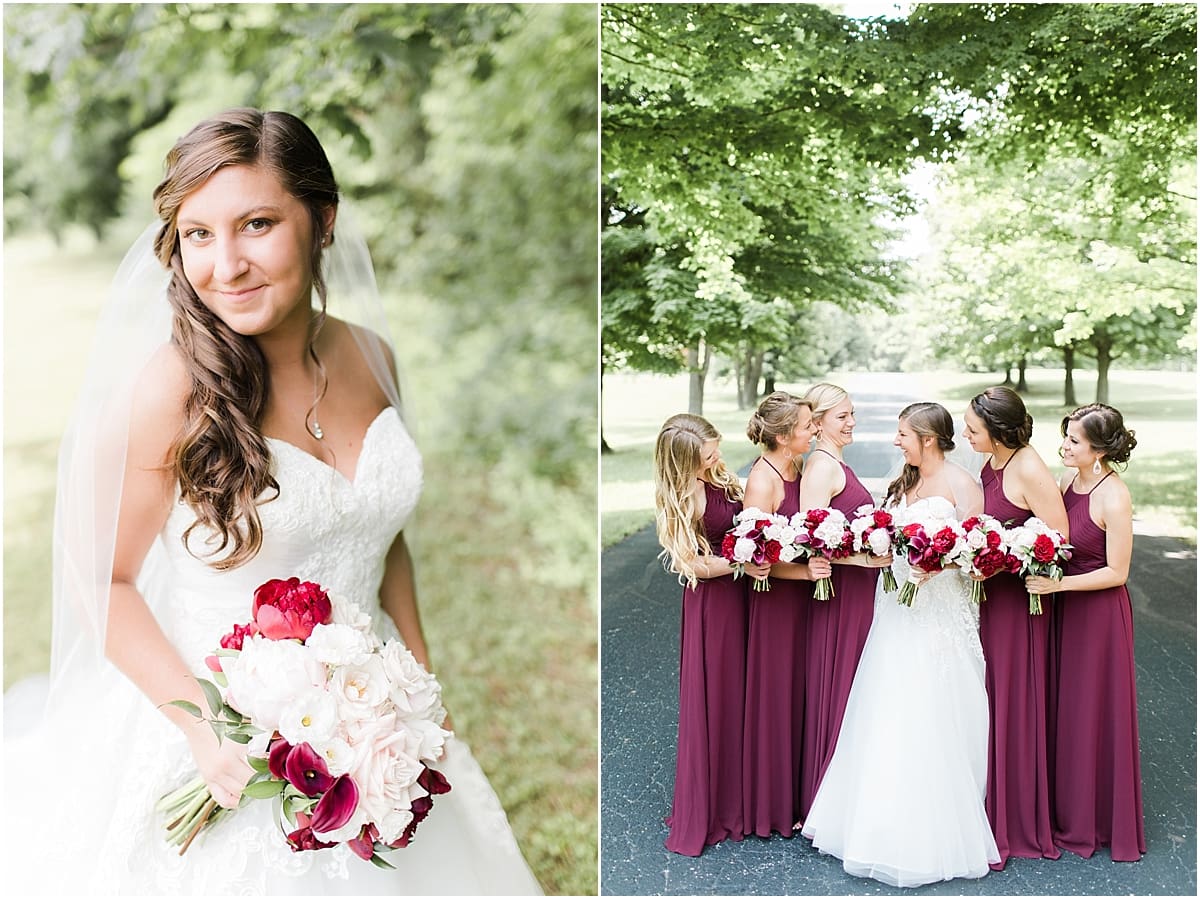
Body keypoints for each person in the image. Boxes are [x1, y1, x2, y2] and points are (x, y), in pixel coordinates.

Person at [3, 109, 541, 895]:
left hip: (371, 721)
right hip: (218, 727)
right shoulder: (174, 387)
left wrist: (423, 689)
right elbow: (102, 580)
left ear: (322, 221)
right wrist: (204, 731)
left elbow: (381, 535)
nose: (226, 265)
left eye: (256, 223)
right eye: (197, 234)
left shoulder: (370, 353)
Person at [801, 402, 1000, 887]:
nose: (896, 442)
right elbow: (885, 540)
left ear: (928, 440)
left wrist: (941, 566)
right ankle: (874, 821)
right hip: (895, 612)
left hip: (940, 615)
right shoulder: (902, 483)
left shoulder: (962, 485)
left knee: (937, 705)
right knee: (885, 703)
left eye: (902, 434)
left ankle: (936, 827)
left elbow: (979, 554)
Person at [1027, 404, 1146, 862]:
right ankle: (1061, 811)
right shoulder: (1066, 483)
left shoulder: (1113, 495)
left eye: (1074, 440)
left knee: (1091, 712)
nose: (1065, 445)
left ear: (1099, 450)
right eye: (1066, 436)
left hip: (1097, 616)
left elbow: (1118, 571)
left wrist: (1059, 583)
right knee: (1065, 710)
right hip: (1064, 610)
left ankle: (1093, 821)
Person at [962, 385, 1068, 869]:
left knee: (1011, 699)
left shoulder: (1027, 466)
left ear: (998, 430)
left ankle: (1018, 815)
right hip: (989, 598)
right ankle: (987, 799)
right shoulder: (992, 463)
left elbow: (1056, 539)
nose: (966, 435)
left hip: (1017, 604)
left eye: (972, 428)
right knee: (986, 696)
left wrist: (1002, 558)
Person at [653, 414, 766, 857]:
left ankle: (746, 791)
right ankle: (716, 803)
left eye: (716, 449)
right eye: (708, 455)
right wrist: (740, 561)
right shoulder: (683, 497)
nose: (717, 458)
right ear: (684, 464)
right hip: (714, 606)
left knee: (746, 692)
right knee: (719, 697)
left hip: (745, 594)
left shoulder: (717, 475)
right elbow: (691, 564)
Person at [795, 383, 889, 824]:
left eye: (852, 414)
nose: (852, 422)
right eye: (843, 417)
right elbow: (812, 543)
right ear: (817, 422)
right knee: (839, 683)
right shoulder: (820, 467)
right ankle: (823, 795)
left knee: (855, 686)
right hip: (839, 592)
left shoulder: (834, 461)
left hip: (856, 589)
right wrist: (865, 557)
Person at [741, 392, 832, 839]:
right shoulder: (763, 481)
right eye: (806, 425)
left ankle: (805, 796)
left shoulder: (800, 467)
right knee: (778, 696)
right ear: (781, 436)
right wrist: (805, 571)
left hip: (806, 601)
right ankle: (772, 805)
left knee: (804, 694)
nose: (813, 430)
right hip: (776, 603)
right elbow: (754, 557)